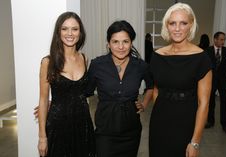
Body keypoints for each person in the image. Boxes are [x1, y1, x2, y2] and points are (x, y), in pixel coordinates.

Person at [149, 3, 212, 157]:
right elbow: (156, 90)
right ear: (167, 26)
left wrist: (195, 142)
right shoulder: (157, 56)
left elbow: (204, 103)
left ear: (191, 25)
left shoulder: (201, 58)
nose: (177, 28)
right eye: (172, 23)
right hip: (159, 121)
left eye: (183, 23)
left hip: (185, 122)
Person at [86, 20, 154, 157]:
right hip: (105, 131)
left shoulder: (140, 66)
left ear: (131, 43)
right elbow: (85, 91)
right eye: (115, 42)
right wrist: (58, 101)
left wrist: (144, 104)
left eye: (125, 41)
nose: (121, 47)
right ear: (108, 44)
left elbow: (151, 87)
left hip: (131, 131)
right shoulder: (97, 65)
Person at [37, 12, 95, 157]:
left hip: (83, 124)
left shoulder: (84, 58)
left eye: (75, 29)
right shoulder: (47, 62)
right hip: (58, 126)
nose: (70, 33)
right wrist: (42, 137)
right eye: (64, 29)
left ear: (80, 33)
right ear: (58, 32)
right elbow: (43, 100)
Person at [205, 31, 226, 134]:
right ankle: (210, 121)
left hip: (224, 81)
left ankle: (225, 124)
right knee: (211, 102)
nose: (223, 41)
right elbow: (204, 67)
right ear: (215, 39)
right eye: (221, 39)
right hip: (211, 81)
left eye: (224, 39)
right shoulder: (207, 51)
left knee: (225, 102)